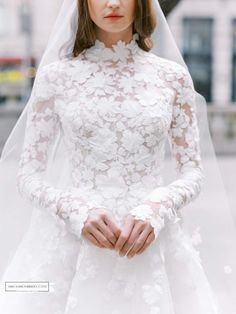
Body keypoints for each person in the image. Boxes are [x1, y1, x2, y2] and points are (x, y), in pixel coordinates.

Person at [0, 0, 235, 313]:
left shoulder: (173, 78)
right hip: (74, 243)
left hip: (152, 244)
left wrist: (158, 207)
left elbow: (193, 172)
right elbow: (28, 174)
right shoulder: (56, 78)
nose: (113, 3)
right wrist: (74, 210)